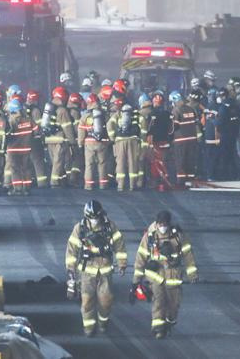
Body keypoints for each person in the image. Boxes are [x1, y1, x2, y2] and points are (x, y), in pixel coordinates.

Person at [132, 210, 198, 339]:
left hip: (173, 277)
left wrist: (192, 274)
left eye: (165, 224)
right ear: (157, 223)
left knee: (173, 306)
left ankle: (169, 322)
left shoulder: (178, 236)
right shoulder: (150, 236)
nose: (163, 226)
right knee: (158, 301)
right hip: (156, 277)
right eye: (160, 224)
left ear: (169, 223)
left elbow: (188, 255)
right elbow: (141, 256)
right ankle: (158, 329)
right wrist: (136, 280)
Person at [65, 200, 127, 336]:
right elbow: (72, 250)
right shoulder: (80, 228)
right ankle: (89, 329)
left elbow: (119, 245)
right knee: (87, 302)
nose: (94, 220)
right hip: (87, 273)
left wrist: (122, 264)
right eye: (91, 217)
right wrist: (71, 270)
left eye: (96, 217)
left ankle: (103, 322)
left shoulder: (110, 227)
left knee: (106, 301)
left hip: (105, 272)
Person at [107, 103, 144, 191]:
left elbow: (109, 124)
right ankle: (132, 185)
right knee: (133, 162)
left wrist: (113, 138)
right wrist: (141, 139)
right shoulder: (138, 115)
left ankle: (120, 185)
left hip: (120, 141)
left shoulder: (118, 114)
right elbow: (144, 126)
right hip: (133, 141)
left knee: (120, 162)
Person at [45, 87, 76, 187]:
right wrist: (72, 141)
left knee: (55, 161)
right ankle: (54, 182)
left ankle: (62, 180)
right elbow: (67, 127)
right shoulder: (62, 110)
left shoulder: (48, 108)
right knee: (58, 162)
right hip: (59, 140)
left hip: (49, 139)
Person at [78, 96, 110, 190]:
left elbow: (81, 131)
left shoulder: (85, 116)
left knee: (89, 164)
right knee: (102, 163)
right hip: (102, 142)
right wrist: (109, 141)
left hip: (89, 142)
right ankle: (103, 184)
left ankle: (88, 185)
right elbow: (109, 127)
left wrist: (80, 143)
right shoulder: (104, 114)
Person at [170, 91, 201, 185]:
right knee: (190, 160)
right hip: (192, 139)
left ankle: (181, 181)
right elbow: (196, 123)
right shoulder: (191, 109)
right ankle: (190, 179)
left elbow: (174, 127)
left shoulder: (176, 110)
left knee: (181, 161)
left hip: (181, 140)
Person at [5, 99, 35, 196]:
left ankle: (18, 189)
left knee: (15, 169)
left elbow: (6, 135)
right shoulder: (29, 120)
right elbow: (37, 131)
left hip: (13, 150)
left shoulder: (11, 121)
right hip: (26, 148)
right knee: (26, 168)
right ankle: (27, 188)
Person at [147, 92, 175, 186]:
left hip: (155, 142)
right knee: (166, 160)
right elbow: (172, 129)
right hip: (166, 141)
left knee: (154, 161)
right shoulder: (168, 114)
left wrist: (149, 142)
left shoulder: (151, 114)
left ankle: (156, 180)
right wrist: (170, 140)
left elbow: (149, 129)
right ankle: (167, 178)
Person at [214, 87, 240, 180]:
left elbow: (220, 121)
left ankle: (224, 175)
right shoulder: (235, 104)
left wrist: (213, 121)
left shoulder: (223, 106)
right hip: (235, 132)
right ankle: (235, 174)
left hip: (225, 134)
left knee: (225, 156)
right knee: (233, 155)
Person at [25, 90, 48, 188]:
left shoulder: (23, 108)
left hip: (23, 139)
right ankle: (42, 184)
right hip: (35, 140)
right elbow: (39, 127)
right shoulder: (36, 111)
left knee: (27, 162)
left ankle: (28, 182)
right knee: (38, 162)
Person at [67, 93, 86, 186]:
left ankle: (68, 178)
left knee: (69, 160)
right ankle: (73, 179)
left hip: (67, 139)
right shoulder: (75, 112)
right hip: (74, 139)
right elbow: (77, 128)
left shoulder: (67, 110)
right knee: (77, 160)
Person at [202, 88, 220, 180]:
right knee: (214, 157)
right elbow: (216, 124)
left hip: (207, 135)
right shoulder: (216, 107)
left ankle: (209, 174)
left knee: (208, 156)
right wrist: (217, 137)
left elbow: (203, 122)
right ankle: (213, 175)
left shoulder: (206, 107)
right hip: (214, 136)